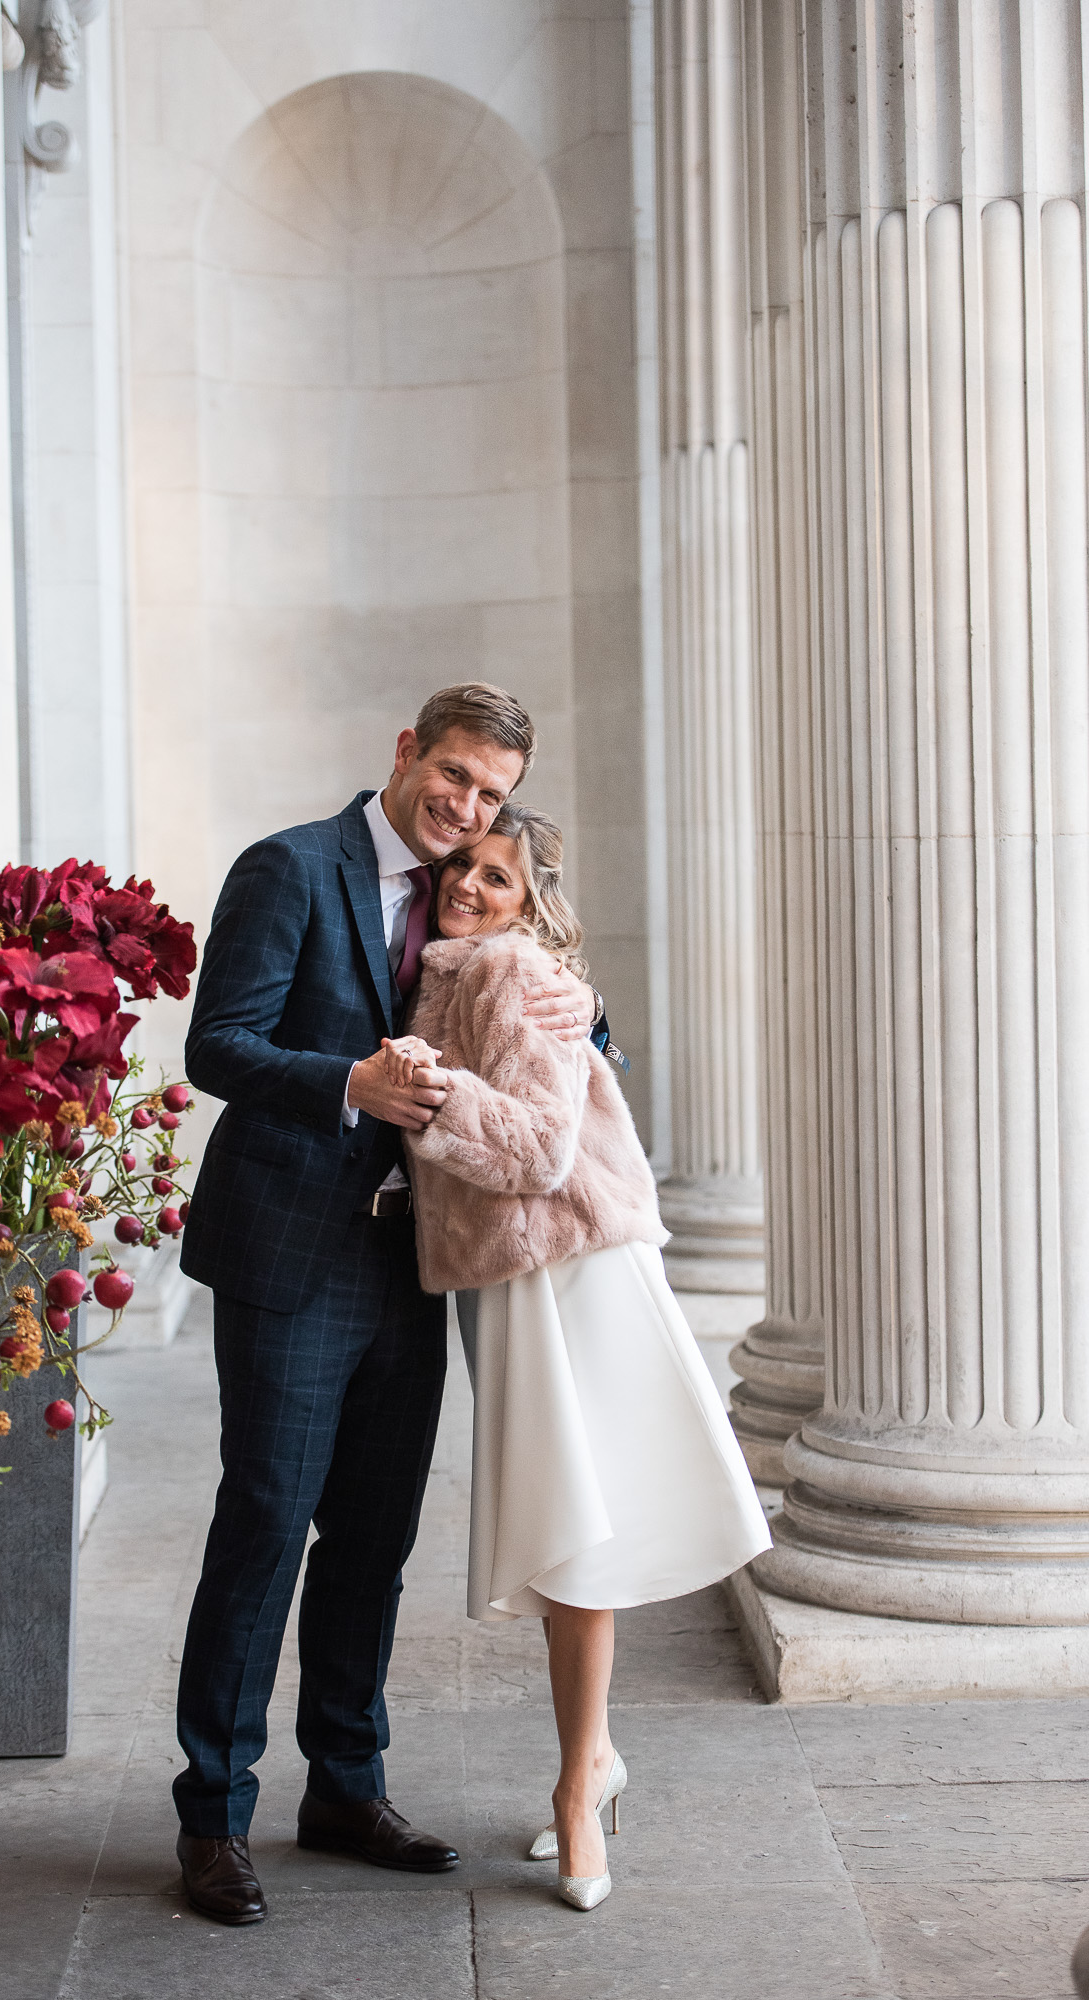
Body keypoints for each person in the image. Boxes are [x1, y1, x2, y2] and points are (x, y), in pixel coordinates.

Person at [173, 685, 605, 1925]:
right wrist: (347, 1081)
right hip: (289, 1256)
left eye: (489, 795)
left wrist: (590, 1007)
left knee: (373, 1539)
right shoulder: (288, 866)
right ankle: (214, 1812)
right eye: (455, 775)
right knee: (264, 1525)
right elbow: (219, 1044)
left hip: (410, 1262)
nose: (466, 809)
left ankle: (345, 1788)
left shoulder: (461, 885)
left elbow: (527, 997)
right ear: (406, 749)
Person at [388, 802, 772, 1912]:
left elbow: (544, 1147)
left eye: (496, 876)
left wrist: (432, 1090)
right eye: (461, 863)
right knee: (567, 1535)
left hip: (574, 1275)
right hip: (521, 1283)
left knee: (576, 1535)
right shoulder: (453, 971)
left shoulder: (507, 972)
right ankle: (589, 1760)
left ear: (531, 902)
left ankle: (573, 1791)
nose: (467, 882)